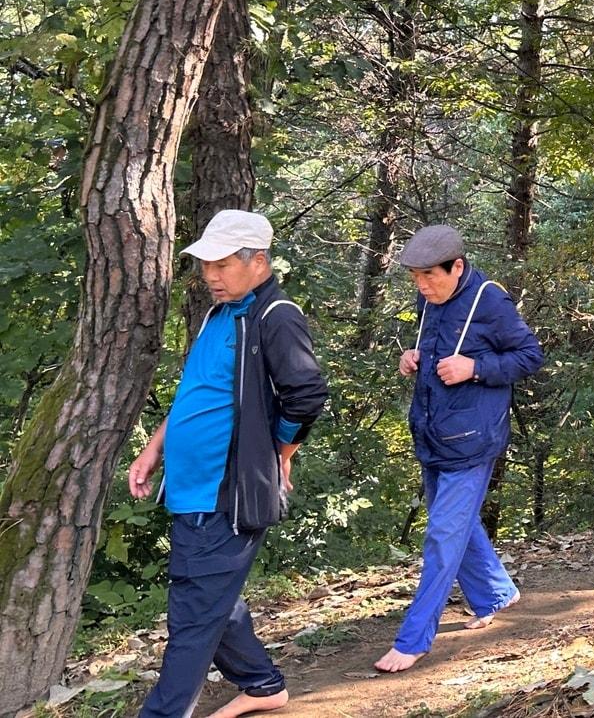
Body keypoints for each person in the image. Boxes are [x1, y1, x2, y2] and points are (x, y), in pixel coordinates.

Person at [128, 210, 329, 718]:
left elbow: (305, 395)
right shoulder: (221, 315)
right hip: (191, 487)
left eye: (221, 264)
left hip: (228, 492)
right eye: (206, 265)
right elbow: (197, 392)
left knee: (193, 613)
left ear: (257, 260)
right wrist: (156, 447)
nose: (211, 276)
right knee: (209, 598)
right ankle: (262, 685)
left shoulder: (274, 316)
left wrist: (280, 454)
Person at [375, 225, 543, 673]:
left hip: (473, 441)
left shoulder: (491, 301)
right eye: (415, 277)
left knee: (442, 534)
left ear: (458, 266)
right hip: (432, 435)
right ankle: (495, 593)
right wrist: (411, 357)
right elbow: (435, 350)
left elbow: (530, 356)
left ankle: (415, 639)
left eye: (430, 275)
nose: (422, 285)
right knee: (456, 524)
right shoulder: (428, 301)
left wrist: (475, 368)